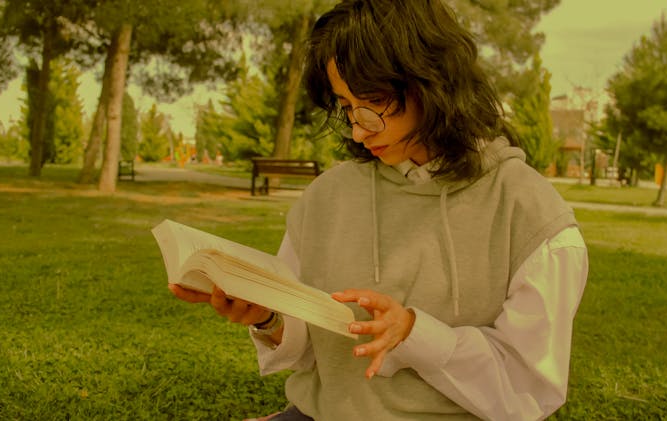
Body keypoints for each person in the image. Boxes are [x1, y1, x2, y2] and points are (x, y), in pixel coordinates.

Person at [169, 0, 588, 420]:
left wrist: (414, 334)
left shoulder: (531, 215)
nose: (356, 127)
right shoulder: (326, 197)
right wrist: (268, 317)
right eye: (346, 106)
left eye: (371, 101)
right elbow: (309, 349)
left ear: (433, 80)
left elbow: (527, 390)